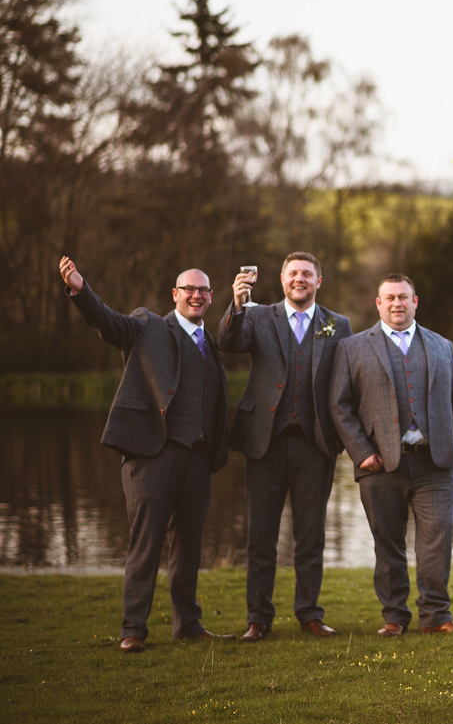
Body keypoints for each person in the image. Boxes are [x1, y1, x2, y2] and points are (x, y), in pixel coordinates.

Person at [58, 256, 228, 653]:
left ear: (211, 296)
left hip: (198, 460)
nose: (196, 295)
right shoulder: (147, 326)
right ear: (176, 294)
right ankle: (132, 628)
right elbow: (108, 323)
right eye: (189, 289)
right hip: (153, 455)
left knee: (188, 548)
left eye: (203, 290)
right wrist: (81, 290)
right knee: (145, 544)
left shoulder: (211, 345)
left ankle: (188, 624)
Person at [329, 273, 453, 636]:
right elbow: (339, 405)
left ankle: (436, 617)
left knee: (437, 540)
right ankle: (394, 617)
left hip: (436, 463)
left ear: (415, 301)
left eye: (403, 297)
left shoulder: (442, 346)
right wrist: (362, 453)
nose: (397, 303)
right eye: (390, 298)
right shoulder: (353, 347)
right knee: (388, 543)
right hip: (380, 465)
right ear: (379, 303)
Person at [218, 252, 352, 642]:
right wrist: (238, 304)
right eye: (293, 273)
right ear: (281, 279)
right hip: (265, 444)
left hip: (316, 445)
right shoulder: (257, 316)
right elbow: (228, 343)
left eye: (307, 274)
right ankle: (258, 619)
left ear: (318, 281)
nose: (300, 279)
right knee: (261, 536)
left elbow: (345, 382)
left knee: (311, 536)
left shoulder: (337, 325)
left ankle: (309, 614)